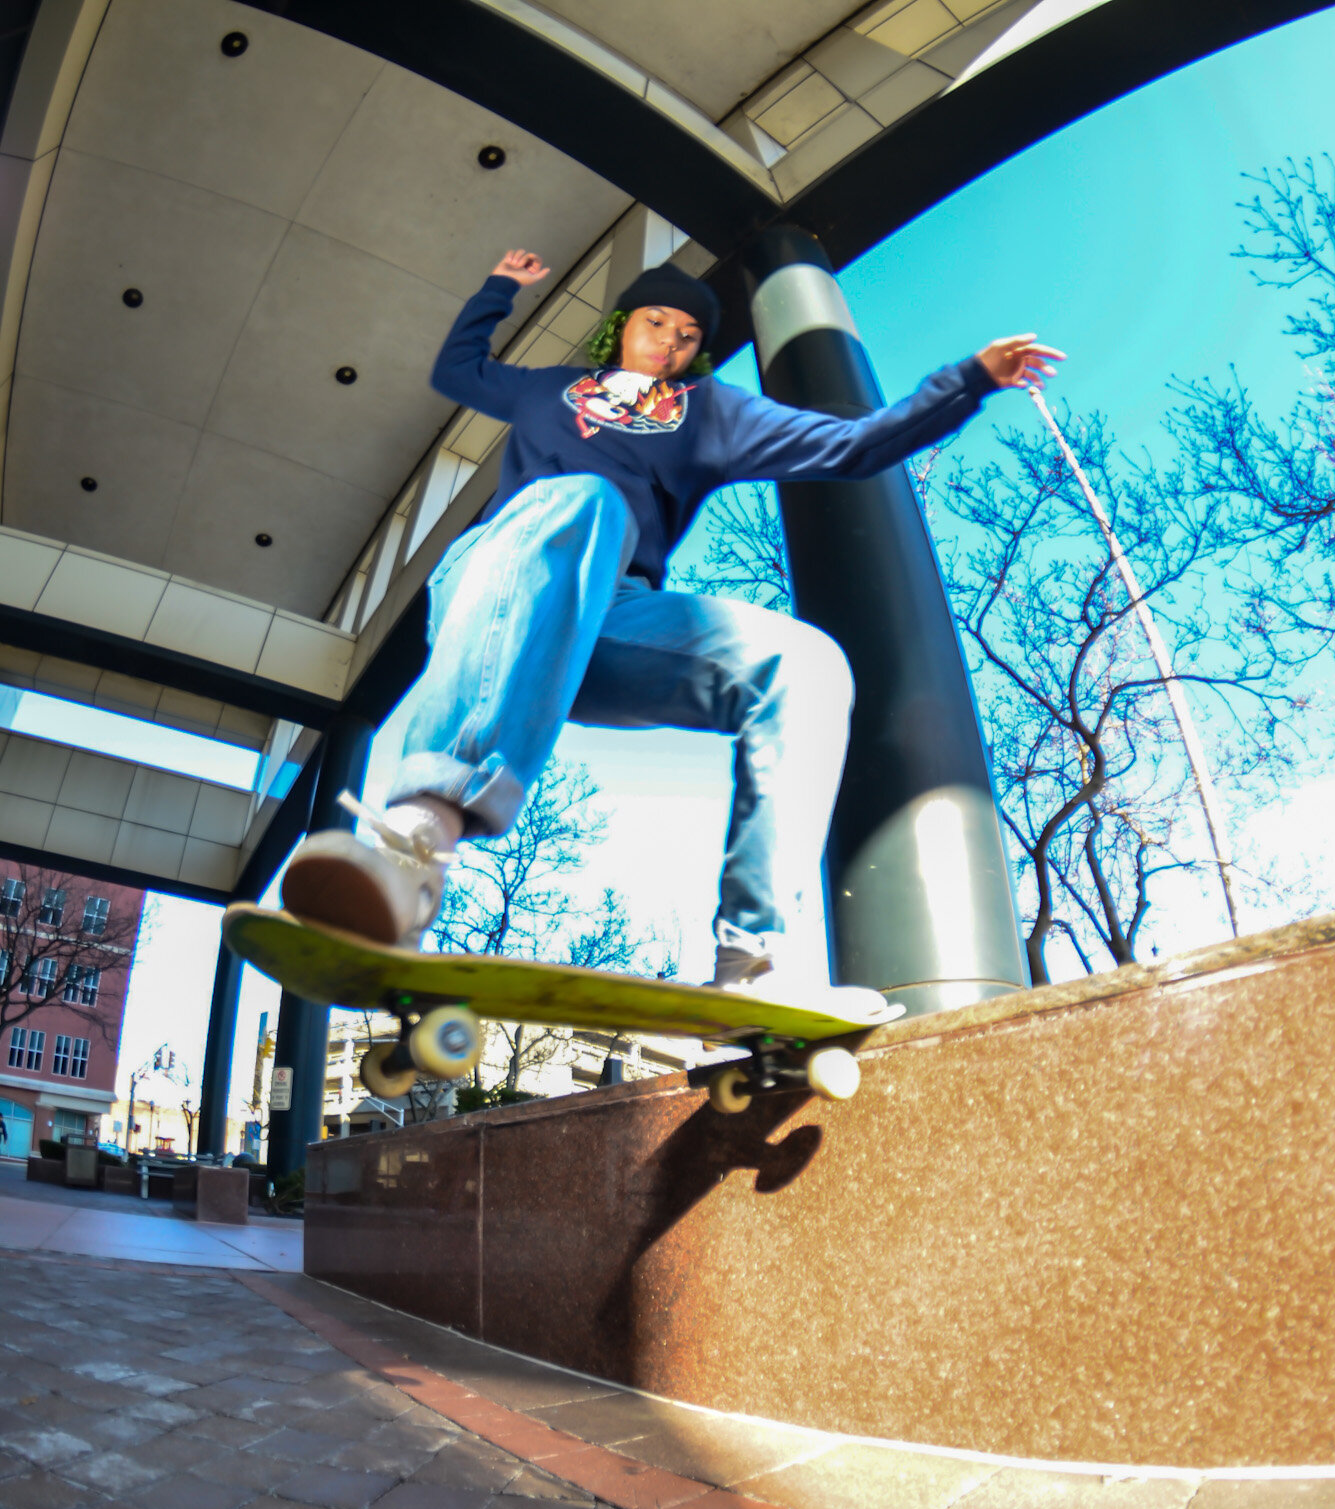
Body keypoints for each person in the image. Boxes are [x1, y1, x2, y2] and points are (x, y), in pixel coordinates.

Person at [282, 249, 1062, 1008]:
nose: (671, 342)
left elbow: (853, 447)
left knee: (807, 662)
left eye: (689, 337)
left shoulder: (710, 414)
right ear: (623, 325)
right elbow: (456, 371)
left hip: (610, 620)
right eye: (657, 322)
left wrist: (967, 382)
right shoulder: (551, 390)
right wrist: (496, 289)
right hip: (500, 587)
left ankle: (752, 955)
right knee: (580, 501)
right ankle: (414, 841)